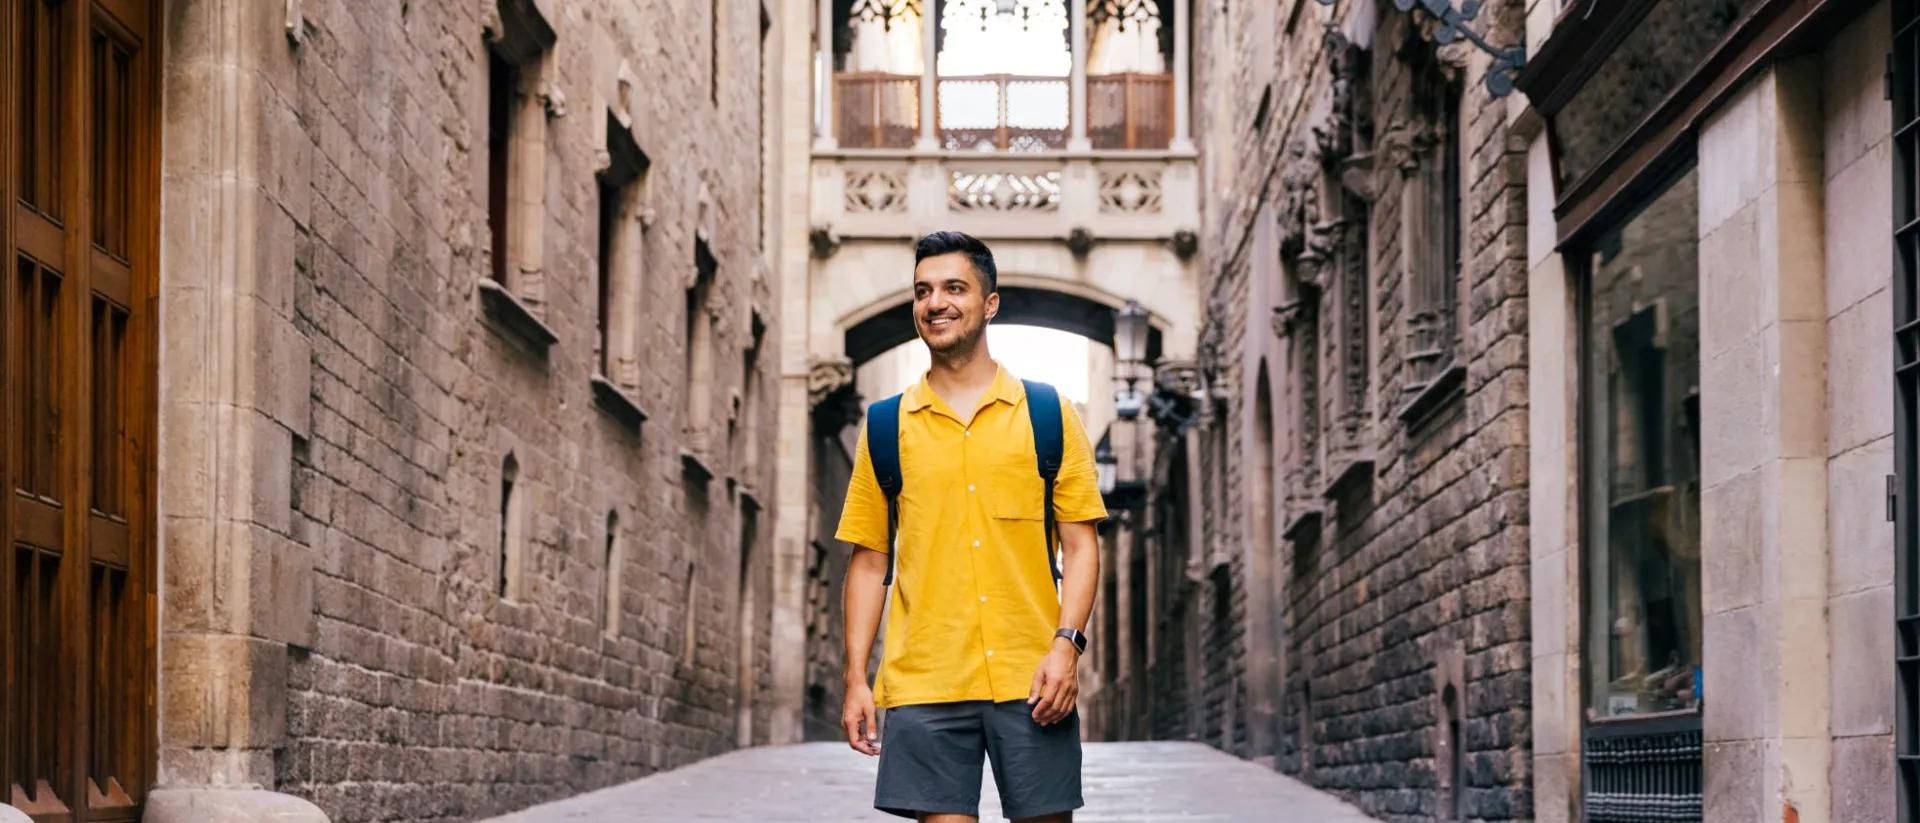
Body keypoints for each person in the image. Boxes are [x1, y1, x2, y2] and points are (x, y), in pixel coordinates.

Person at [836, 231, 1106, 822]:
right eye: (923, 290)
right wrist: (858, 678)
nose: (936, 302)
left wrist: (1068, 646)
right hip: (925, 680)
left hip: (1032, 679)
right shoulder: (886, 426)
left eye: (955, 287)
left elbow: (1081, 546)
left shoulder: (1048, 414)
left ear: (990, 303)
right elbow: (869, 562)